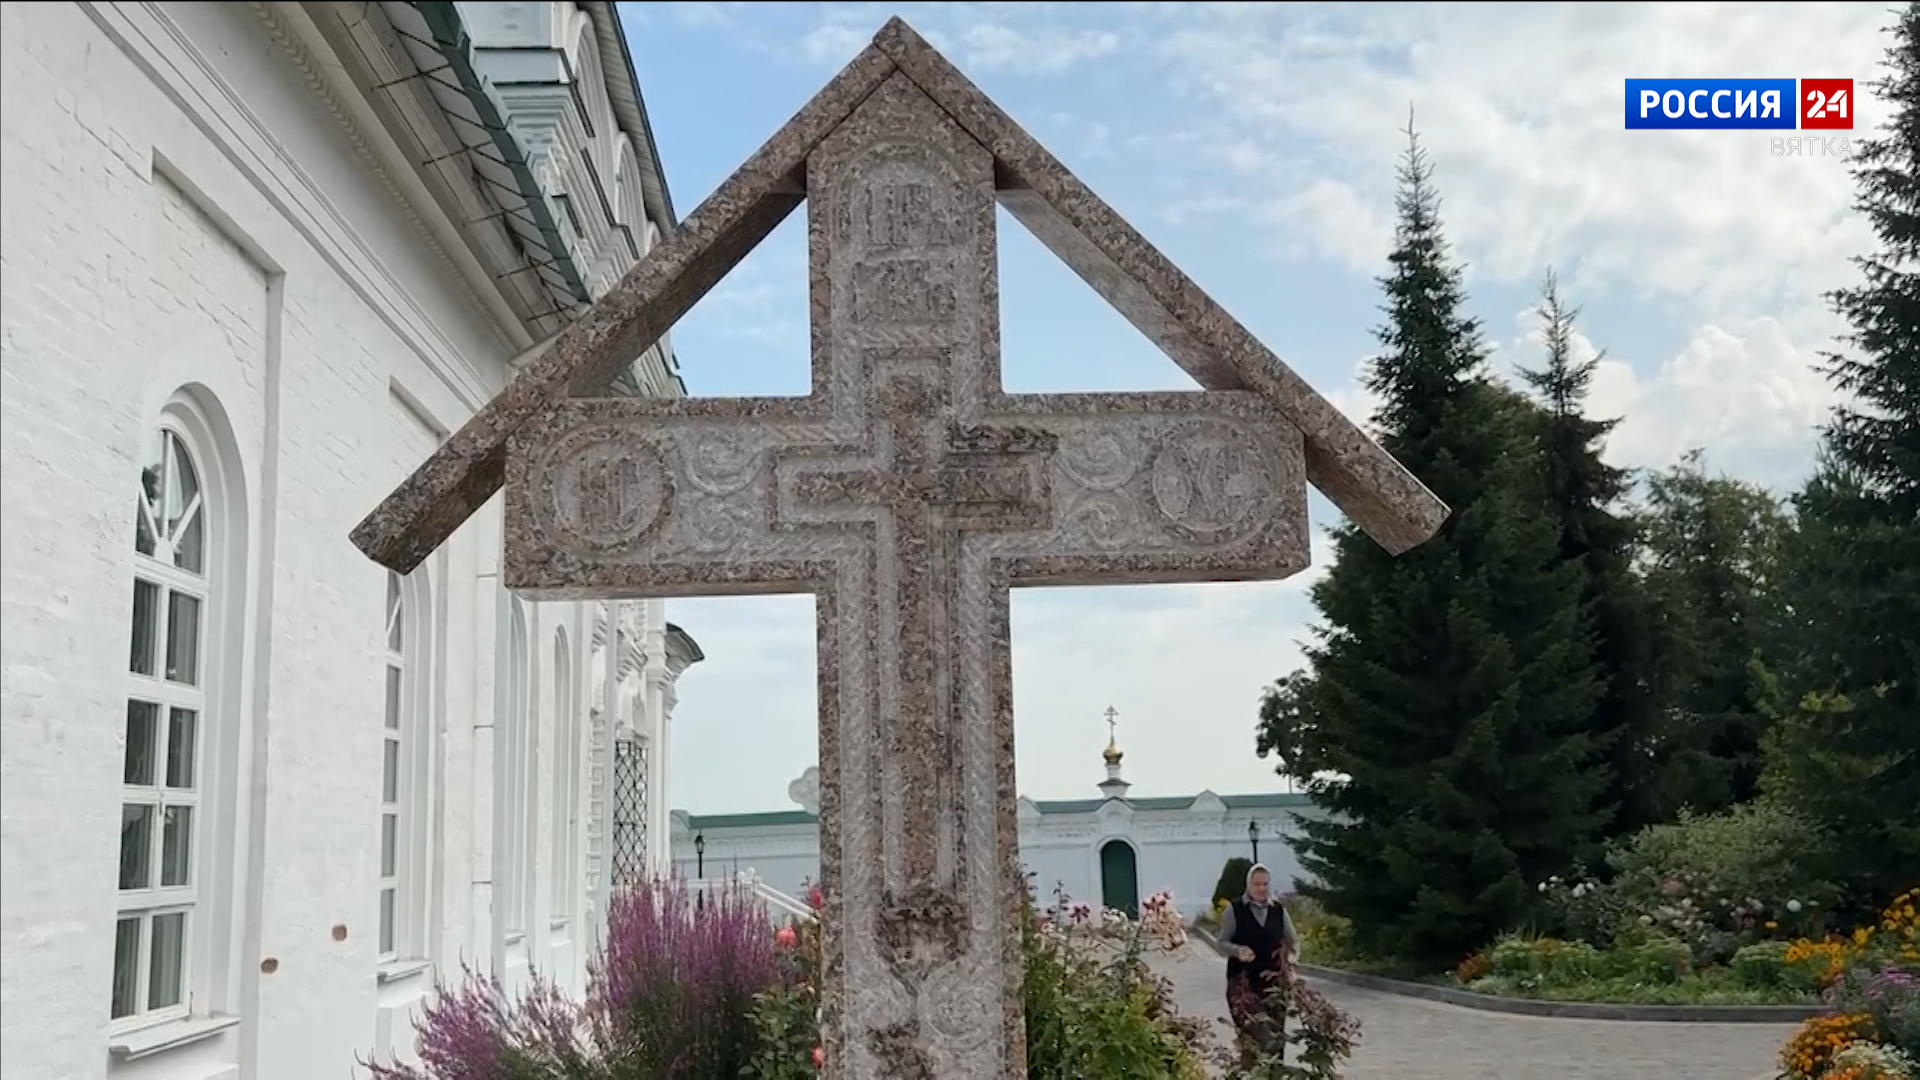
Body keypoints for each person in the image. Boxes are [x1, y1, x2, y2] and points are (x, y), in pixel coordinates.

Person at [1218, 864, 1298, 1049]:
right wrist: (1237, 951)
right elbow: (1221, 943)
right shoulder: (1235, 910)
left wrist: (1291, 964)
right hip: (1243, 986)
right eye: (1256, 884)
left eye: (1265, 884)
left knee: (1275, 1041)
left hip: (1274, 987)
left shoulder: (1278, 910)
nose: (1261, 888)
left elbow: (1292, 941)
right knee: (1253, 1040)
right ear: (1248, 885)